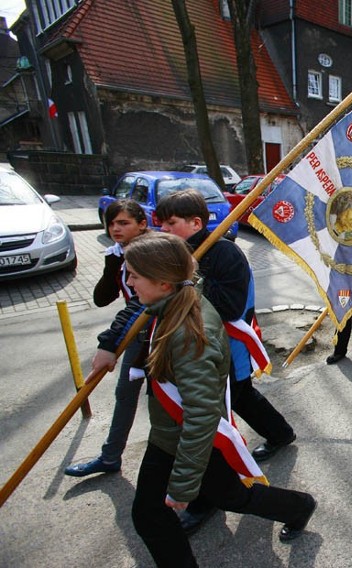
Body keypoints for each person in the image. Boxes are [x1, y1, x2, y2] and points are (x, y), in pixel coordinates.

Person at [124, 233, 316, 566]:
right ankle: (298, 506)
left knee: (151, 515)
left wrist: (183, 487)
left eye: (135, 276)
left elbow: (201, 416)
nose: (129, 282)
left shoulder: (188, 334)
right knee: (228, 496)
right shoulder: (175, 301)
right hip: (173, 433)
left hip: (182, 436)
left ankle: (299, 505)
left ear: (163, 282)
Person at [155, 190, 296, 532]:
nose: (164, 229)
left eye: (171, 223)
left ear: (195, 223)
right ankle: (280, 433)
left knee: (216, 415)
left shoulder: (223, 252)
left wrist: (188, 283)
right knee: (239, 399)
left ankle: (209, 496)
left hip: (225, 348)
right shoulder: (178, 253)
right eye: (161, 223)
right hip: (195, 351)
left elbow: (228, 306)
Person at [65, 200, 150, 477]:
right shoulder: (119, 254)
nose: (116, 228)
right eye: (112, 223)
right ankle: (110, 457)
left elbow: (141, 303)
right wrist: (112, 264)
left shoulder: (151, 252)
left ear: (142, 224)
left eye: (123, 223)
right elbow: (102, 299)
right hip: (137, 337)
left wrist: (109, 343)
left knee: (173, 403)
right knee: (125, 394)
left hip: (163, 337)